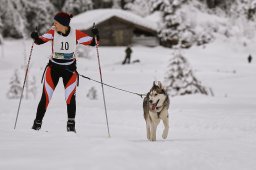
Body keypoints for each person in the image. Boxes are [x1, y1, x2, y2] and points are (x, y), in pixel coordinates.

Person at [30, 12, 100, 132]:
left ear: (63, 24)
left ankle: (71, 126)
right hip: (53, 69)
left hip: (69, 70)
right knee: (46, 97)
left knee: (70, 98)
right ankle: (37, 124)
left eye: (56, 23)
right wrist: (35, 37)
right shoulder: (53, 32)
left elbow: (94, 42)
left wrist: (96, 35)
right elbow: (40, 41)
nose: (54, 25)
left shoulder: (75, 34)